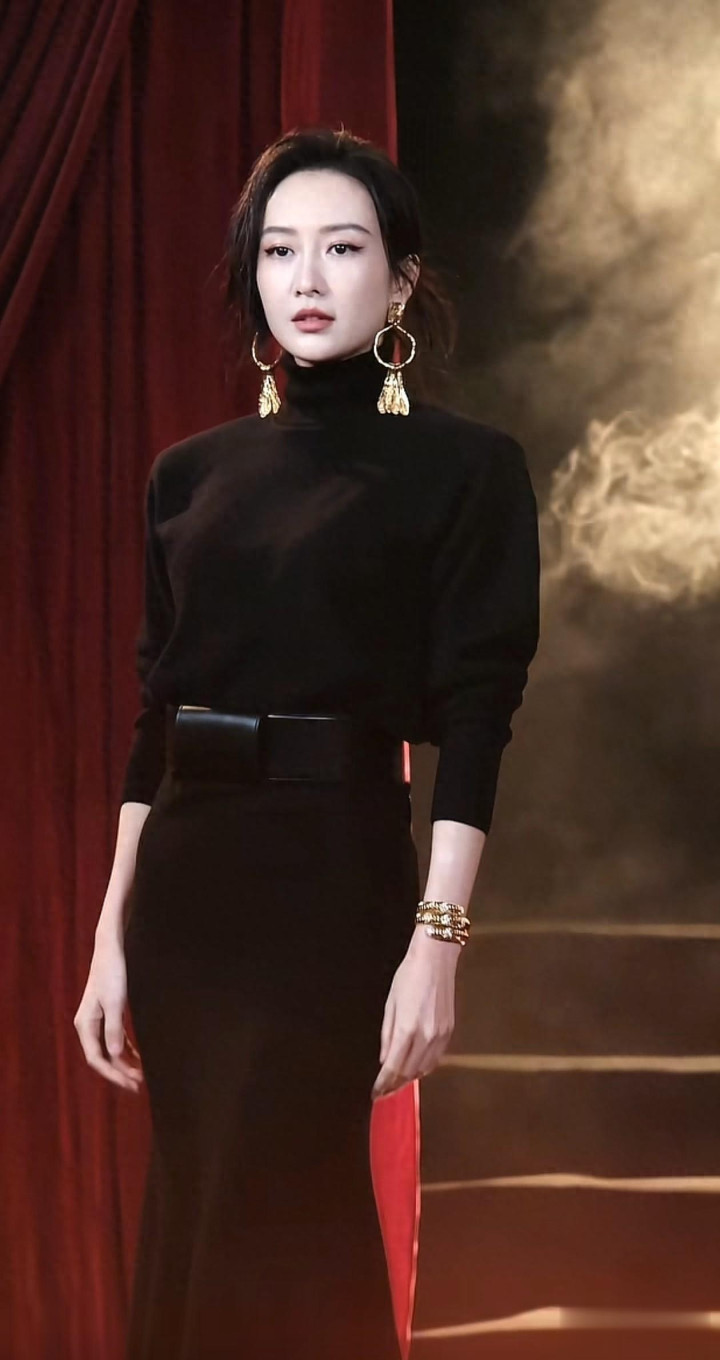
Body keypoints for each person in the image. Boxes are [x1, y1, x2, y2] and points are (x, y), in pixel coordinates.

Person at [73, 126, 541, 1360]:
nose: (308, 277)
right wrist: (111, 934)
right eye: (279, 250)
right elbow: (156, 720)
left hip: (332, 888)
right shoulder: (188, 477)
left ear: (400, 279)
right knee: (197, 1219)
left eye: (342, 247)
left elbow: (478, 716)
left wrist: (438, 942)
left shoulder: (467, 470)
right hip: (188, 896)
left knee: (279, 1218)